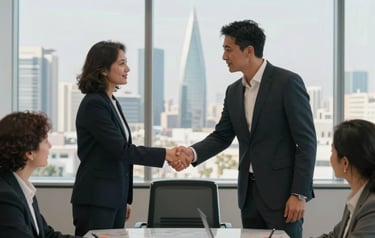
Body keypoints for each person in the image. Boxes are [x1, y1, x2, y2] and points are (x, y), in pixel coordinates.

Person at [171, 20, 317, 238]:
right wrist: (192, 153)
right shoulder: (232, 92)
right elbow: (222, 136)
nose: (224, 57)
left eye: (228, 50)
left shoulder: (287, 83)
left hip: (283, 197)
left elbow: (306, 142)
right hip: (248, 197)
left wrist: (299, 193)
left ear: (249, 50)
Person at [70, 40, 187, 236]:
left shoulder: (111, 102)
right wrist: (166, 153)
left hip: (112, 199)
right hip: (97, 200)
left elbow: (117, 156)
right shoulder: (94, 104)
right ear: (104, 69)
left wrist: (123, 199)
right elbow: (122, 150)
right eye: (122, 63)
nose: (128, 68)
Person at [0, 111, 80, 237]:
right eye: (45, 141)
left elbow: (47, 235)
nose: (50, 146)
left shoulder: (23, 189)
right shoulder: (6, 197)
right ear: (29, 152)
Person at [315, 119, 375, 238]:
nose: (330, 158)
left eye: (332, 151)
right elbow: (334, 236)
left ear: (345, 163)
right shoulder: (358, 198)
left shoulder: (371, 205)